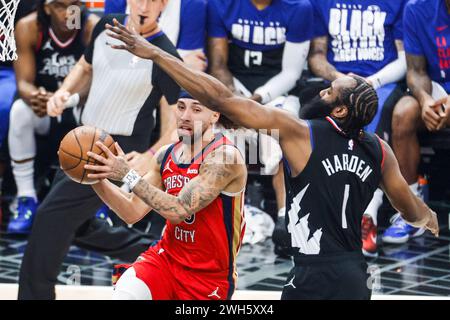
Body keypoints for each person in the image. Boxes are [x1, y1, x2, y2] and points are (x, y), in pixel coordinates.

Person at [105, 20, 439, 299]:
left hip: (308, 275)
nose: (318, 92)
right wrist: (431, 219)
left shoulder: (300, 132)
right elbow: (411, 211)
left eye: (327, 91)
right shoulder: (381, 151)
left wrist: (156, 54)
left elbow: (220, 97)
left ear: (338, 110)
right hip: (353, 275)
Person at [18, 0, 180, 300]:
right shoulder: (106, 26)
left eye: (152, 0)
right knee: (79, 228)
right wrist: (63, 93)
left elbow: (176, 122)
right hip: (82, 138)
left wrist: (150, 154)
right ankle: (160, 250)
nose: (144, 6)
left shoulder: (164, 54)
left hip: (114, 150)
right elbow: (84, 65)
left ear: (163, 5)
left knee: (49, 221)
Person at [84, 92, 247, 300]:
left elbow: (179, 210)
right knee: (125, 295)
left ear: (214, 115)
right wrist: (95, 177)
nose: (185, 116)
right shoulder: (165, 155)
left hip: (208, 277)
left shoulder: (224, 158)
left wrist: (127, 174)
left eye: (196, 109)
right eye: (180, 107)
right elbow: (131, 212)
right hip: (165, 260)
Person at [307, 0, 408, 257]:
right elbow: (316, 55)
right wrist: (341, 82)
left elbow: (404, 59)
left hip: (379, 81)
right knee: (310, 124)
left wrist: (366, 84)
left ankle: (367, 215)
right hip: (334, 81)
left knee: (369, 127)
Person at [207, 0, 313, 222]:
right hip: (234, 89)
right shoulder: (221, 4)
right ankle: (216, 214)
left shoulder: (299, 7)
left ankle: (287, 218)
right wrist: (234, 100)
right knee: (209, 131)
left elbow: (291, 73)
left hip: (278, 92)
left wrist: (253, 104)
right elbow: (218, 65)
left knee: (285, 136)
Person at [6, 0, 99, 234]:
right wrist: (35, 96)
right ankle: (26, 198)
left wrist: (67, 99)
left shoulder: (91, 27)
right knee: (19, 111)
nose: (69, 13)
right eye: (60, 6)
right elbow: (24, 83)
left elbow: (98, 84)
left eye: (75, 5)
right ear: (46, 7)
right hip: (45, 110)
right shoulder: (29, 27)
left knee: (103, 114)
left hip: (79, 109)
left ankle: (100, 201)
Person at [388, 0, 450, 244]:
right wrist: (424, 100)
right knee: (403, 112)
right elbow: (416, 70)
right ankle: (411, 211)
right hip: (435, 93)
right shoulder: (416, 8)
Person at [105, 0, 208, 71]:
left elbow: (193, 69)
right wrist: (179, 62)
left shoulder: (193, 4)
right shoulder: (116, 1)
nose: (144, 8)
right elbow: (109, 61)